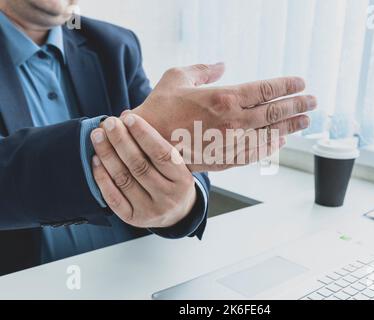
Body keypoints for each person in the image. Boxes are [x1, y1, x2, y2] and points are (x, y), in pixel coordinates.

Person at [0, 0, 315, 275]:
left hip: (142, 276)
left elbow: (178, 148)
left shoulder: (115, 45)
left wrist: (181, 201)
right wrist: (123, 138)